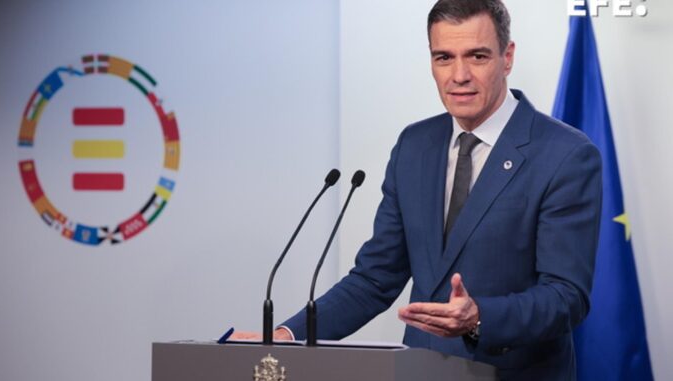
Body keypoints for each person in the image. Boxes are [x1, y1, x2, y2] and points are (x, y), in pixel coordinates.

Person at [235, 0, 602, 379]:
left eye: (477, 56)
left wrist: (479, 317)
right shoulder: (415, 145)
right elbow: (375, 278)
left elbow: (566, 297)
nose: (459, 75)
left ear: (507, 57)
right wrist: (287, 336)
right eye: (444, 57)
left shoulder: (565, 154)